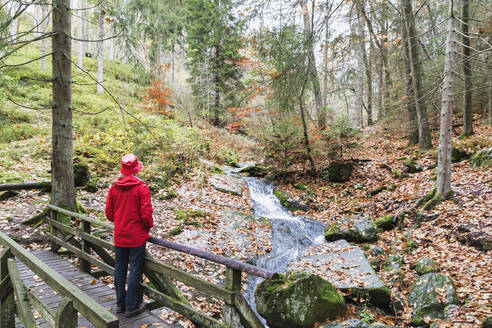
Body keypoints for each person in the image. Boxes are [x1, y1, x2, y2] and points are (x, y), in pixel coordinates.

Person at [105, 154, 154, 318]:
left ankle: (120, 304)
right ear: (135, 170)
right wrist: (148, 227)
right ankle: (132, 306)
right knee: (134, 269)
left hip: (120, 235)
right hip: (136, 237)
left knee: (119, 268)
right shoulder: (142, 188)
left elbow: (109, 214)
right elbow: (146, 215)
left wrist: (120, 220)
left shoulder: (114, 188)